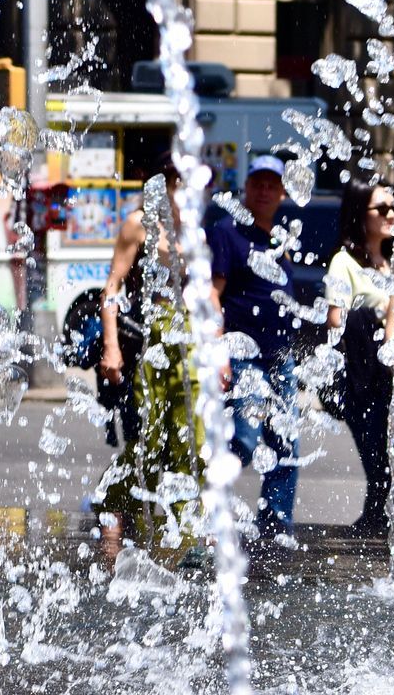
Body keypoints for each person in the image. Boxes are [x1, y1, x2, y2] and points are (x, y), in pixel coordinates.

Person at [96, 166, 204, 539]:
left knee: (191, 434)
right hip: (150, 338)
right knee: (152, 437)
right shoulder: (138, 225)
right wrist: (111, 346)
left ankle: (187, 525)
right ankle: (113, 495)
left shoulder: (195, 230)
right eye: (181, 184)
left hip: (189, 337)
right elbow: (112, 287)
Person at [209, 153, 302, 538]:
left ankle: (276, 524)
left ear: (282, 192)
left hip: (281, 356)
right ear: (245, 188)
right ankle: (210, 509)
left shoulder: (280, 238)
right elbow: (212, 296)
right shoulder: (227, 232)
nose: (264, 191)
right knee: (244, 439)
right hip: (243, 355)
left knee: (286, 446)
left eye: (272, 185)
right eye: (258, 183)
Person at [324, 180, 394, 531]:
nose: (391, 215)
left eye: (393, 208)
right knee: (379, 464)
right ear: (359, 215)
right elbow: (335, 319)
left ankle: (392, 530)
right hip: (365, 380)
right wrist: (382, 314)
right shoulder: (343, 262)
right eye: (381, 209)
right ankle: (375, 539)